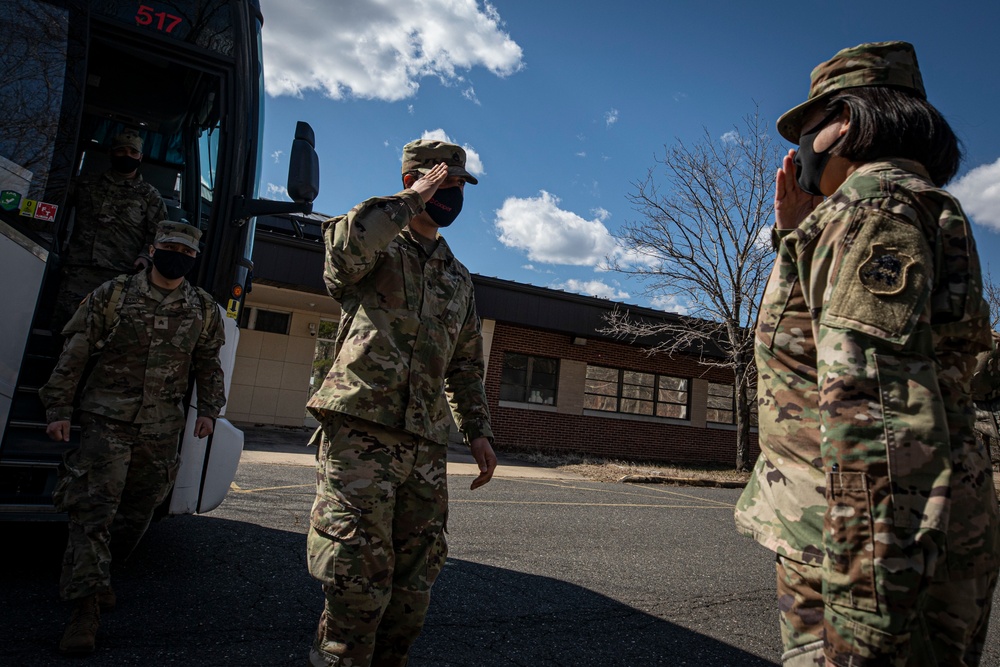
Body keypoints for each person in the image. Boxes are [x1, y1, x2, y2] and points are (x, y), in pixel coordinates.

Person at [734, 41, 1000, 666]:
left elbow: (877, 418)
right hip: (916, 542)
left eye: (807, 128)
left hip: (864, 556)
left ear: (845, 123)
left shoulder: (873, 210)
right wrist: (795, 234)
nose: (797, 149)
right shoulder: (900, 209)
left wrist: (864, 618)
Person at [305, 139, 498, 666]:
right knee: (355, 576)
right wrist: (412, 198)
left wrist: (477, 431)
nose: (454, 194)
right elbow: (343, 253)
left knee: (416, 582)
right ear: (418, 178)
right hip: (360, 429)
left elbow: (464, 363)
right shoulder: (377, 243)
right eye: (446, 181)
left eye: (460, 186)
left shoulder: (457, 278)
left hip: (425, 443)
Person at [40, 221, 226, 655]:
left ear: (193, 258)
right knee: (94, 511)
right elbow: (76, 352)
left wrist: (210, 412)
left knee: (138, 512)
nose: (175, 254)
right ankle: (84, 610)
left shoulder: (203, 307)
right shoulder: (115, 293)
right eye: (168, 246)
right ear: (153, 248)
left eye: (184, 250)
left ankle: (101, 576)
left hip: (162, 428)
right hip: (107, 419)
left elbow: (207, 362)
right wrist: (58, 409)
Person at [53, 129, 168, 330]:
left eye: (133, 152)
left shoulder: (150, 196)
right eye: (121, 151)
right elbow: (53, 203)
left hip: (119, 275)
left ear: (140, 157)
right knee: (65, 328)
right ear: (111, 153)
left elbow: (159, 234)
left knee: (103, 332)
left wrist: (145, 257)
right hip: (78, 269)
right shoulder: (86, 184)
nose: (127, 156)